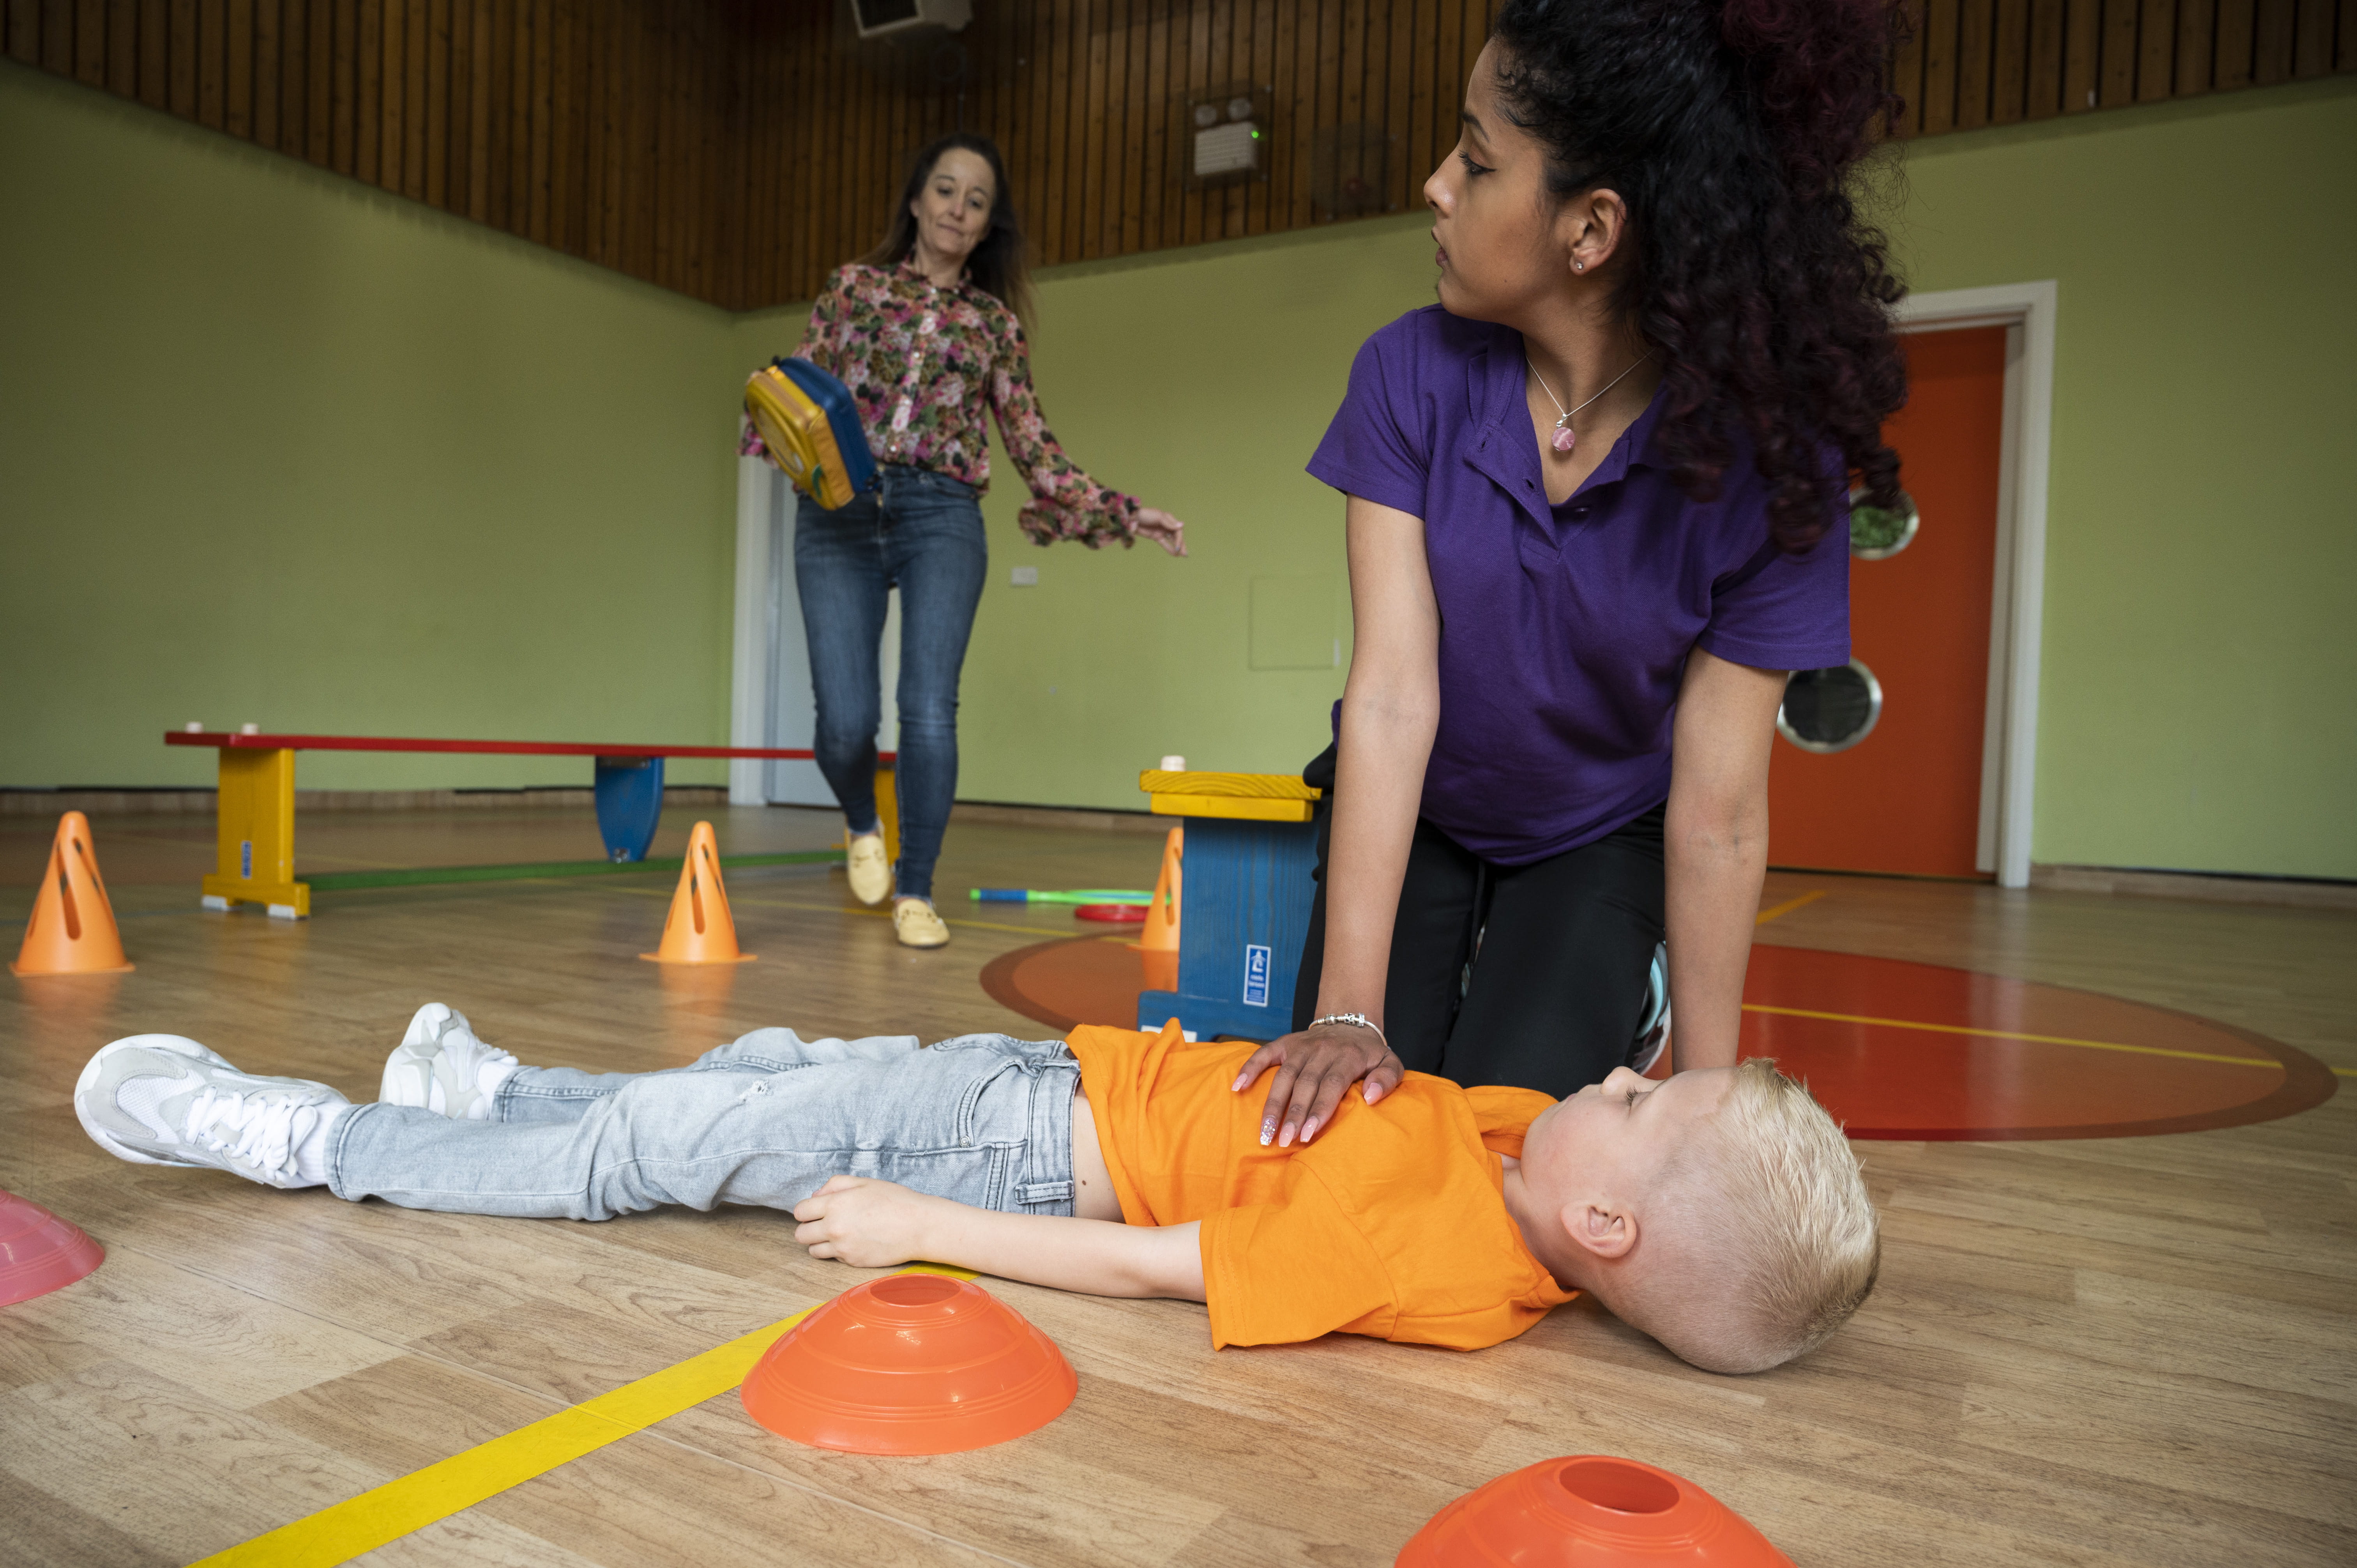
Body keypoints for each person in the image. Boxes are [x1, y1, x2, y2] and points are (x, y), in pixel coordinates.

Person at [1243, 0, 1913, 1146]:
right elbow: (1394, 698)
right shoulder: (1409, 372)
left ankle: (1629, 995)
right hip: (1428, 807)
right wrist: (1346, 1012)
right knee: (1354, 1128)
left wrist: (1708, 1094)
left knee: (1517, 1144)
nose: (1436, 185)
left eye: (1478, 157)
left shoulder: (1766, 461)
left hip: (1600, 829)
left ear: (1590, 231)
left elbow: (1717, 811)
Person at [74, 1003, 1880, 1374]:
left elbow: (1170, 1267)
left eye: (1642, 1100)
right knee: (762, 1083)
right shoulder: (1510, 1148)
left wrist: (924, 1228)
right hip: (1044, 1077)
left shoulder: (1437, 1258)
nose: (1621, 1069)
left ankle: (306, 1138)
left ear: (1611, 1227)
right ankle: (492, 1091)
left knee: (672, 1155)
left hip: (1003, 1154)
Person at [746, 133, 1189, 950]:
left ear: (988, 227)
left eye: (975, 200)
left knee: (927, 710)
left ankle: (916, 888)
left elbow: (1033, 444)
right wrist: (769, 420)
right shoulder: (853, 288)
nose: (957, 208)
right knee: (845, 722)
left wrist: (1127, 512)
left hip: (941, 512)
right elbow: (800, 384)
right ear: (915, 202)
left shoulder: (994, 325)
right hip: (840, 508)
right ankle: (858, 821)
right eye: (945, 190)